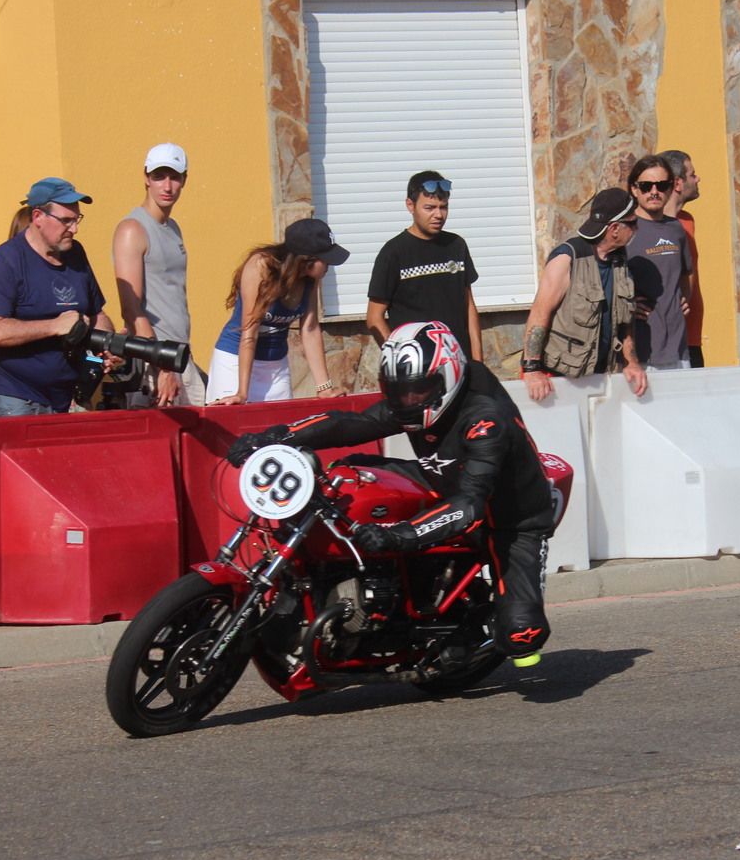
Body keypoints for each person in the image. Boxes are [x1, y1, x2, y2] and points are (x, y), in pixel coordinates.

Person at [225, 320, 554, 663]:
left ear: (448, 376)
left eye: (418, 390)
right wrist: (275, 436)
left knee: (521, 637)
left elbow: (469, 506)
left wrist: (401, 535)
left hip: (506, 515)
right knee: (349, 471)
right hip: (440, 479)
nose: (407, 400)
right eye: (397, 391)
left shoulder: (486, 421)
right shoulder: (414, 401)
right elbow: (349, 424)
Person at [0, 177, 117, 416]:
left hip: (67, 394)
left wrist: (109, 344)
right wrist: (54, 326)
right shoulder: (6, 262)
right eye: (66, 221)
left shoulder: (76, 254)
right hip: (16, 395)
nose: (74, 229)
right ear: (38, 217)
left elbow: (96, 314)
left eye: (77, 219)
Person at [519, 187, 649, 403]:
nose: (637, 228)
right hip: (559, 380)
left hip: (598, 377)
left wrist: (631, 362)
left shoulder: (620, 259)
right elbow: (540, 314)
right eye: (633, 223)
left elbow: (626, 320)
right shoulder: (567, 258)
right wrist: (532, 370)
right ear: (615, 228)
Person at [206, 218, 347, 404]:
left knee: (281, 430)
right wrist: (241, 392)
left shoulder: (310, 279)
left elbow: (310, 329)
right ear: (306, 260)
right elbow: (249, 332)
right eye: (326, 259)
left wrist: (324, 388)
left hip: (275, 365)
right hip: (235, 362)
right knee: (235, 427)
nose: (330, 265)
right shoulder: (261, 267)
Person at [113, 142, 206, 407]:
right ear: (146, 178)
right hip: (156, 363)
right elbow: (131, 308)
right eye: (159, 177)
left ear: (184, 179)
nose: (167, 186)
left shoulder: (172, 227)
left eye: (174, 177)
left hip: (179, 356)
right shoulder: (132, 229)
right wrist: (161, 365)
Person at [366, 170, 483, 358]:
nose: (438, 214)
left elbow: (469, 307)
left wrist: (478, 363)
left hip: (459, 363)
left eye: (443, 207)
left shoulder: (456, 245)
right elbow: (374, 317)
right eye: (429, 208)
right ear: (410, 206)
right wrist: (399, 359)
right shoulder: (393, 252)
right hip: (418, 373)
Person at [624, 154, 694, 370]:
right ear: (635, 189)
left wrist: (684, 298)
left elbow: (687, 272)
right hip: (640, 352)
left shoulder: (676, 229)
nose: (654, 192)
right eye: (646, 186)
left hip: (678, 347)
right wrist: (627, 305)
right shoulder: (624, 230)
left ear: (671, 187)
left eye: (661, 185)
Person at [660, 149, 706, 367]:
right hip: (666, 340)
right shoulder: (647, 226)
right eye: (692, 174)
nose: (697, 179)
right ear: (678, 183)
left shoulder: (687, 221)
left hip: (693, 336)